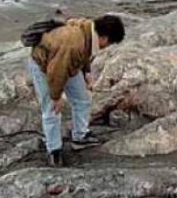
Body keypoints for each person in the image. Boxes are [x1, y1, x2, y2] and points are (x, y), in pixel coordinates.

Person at [28, 14, 125, 166]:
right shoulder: (73, 43)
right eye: (109, 43)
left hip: (66, 64)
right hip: (44, 65)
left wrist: (86, 72)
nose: (107, 46)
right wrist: (56, 97)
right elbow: (56, 71)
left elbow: (85, 54)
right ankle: (54, 149)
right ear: (105, 38)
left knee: (82, 99)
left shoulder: (88, 30)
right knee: (52, 109)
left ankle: (80, 136)